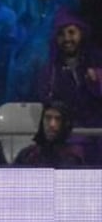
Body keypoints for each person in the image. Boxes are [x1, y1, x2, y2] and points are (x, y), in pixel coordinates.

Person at [39, 8, 102, 164]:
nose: (67, 38)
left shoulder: (97, 59)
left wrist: (98, 80)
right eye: (61, 34)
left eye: (71, 32)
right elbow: (48, 104)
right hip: (68, 135)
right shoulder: (50, 71)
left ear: (81, 33)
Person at [13, 101, 84, 167]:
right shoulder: (27, 155)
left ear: (65, 123)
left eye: (58, 119)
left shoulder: (73, 158)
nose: (52, 124)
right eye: (48, 118)